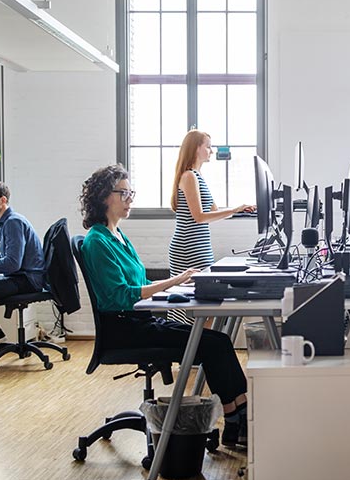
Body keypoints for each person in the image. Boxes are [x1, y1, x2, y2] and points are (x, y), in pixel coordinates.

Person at [80, 164, 248, 447]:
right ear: (104, 197)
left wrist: (181, 285)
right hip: (125, 330)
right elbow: (123, 295)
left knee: (218, 339)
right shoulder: (97, 241)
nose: (130, 198)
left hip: (140, 322)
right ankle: (236, 421)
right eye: (124, 193)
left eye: (130, 192)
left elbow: (141, 281)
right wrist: (174, 282)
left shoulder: (117, 236)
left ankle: (240, 414)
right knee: (214, 345)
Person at [169, 129, 254, 323]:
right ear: (195, 148)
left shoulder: (198, 176)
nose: (212, 151)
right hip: (189, 247)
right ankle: (189, 349)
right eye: (208, 146)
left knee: (205, 303)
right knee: (195, 304)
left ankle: (200, 349)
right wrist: (234, 209)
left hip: (200, 246)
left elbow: (214, 211)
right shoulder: (189, 176)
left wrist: (241, 210)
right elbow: (199, 217)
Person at [0, 182, 45, 379]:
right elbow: (6, 256)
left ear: (2, 200)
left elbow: (11, 264)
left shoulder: (12, 222)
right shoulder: (7, 222)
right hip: (18, 275)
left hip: (25, 279)